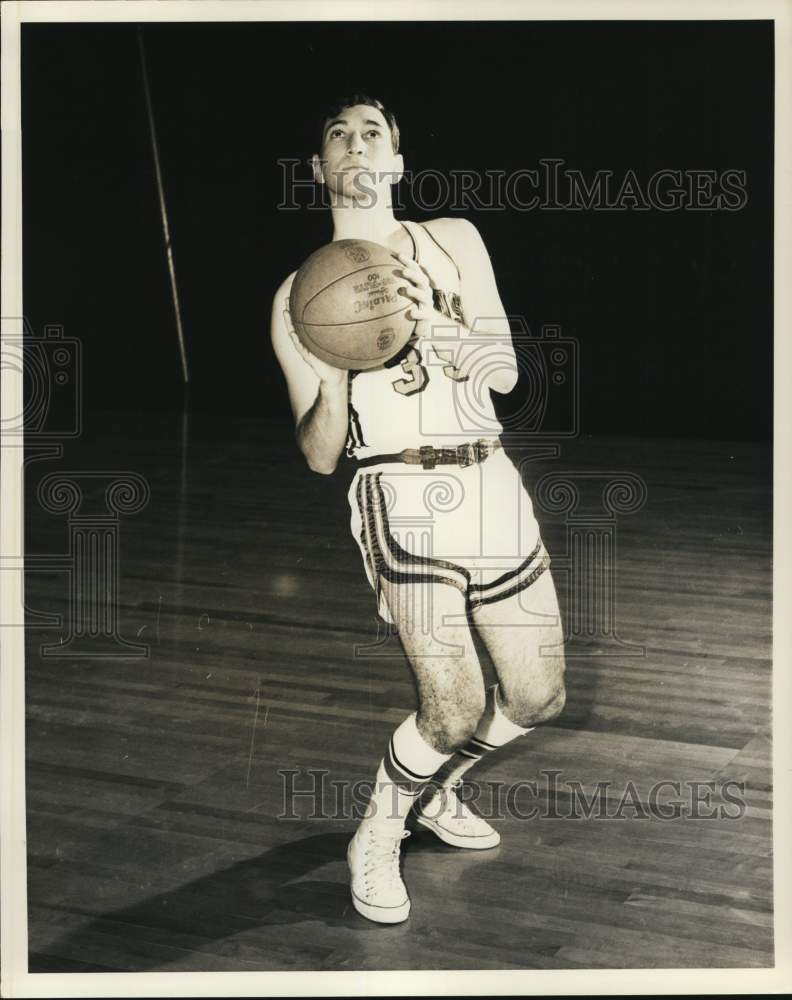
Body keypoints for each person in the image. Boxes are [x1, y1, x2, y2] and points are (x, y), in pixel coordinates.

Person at [271, 94, 566, 924]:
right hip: (399, 493)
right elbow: (319, 453)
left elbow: (506, 374)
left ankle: (438, 792)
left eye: (373, 133)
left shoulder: (454, 240)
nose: (356, 144)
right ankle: (379, 830)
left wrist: (437, 328)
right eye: (338, 135)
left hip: (489, 479)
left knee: (539, 698)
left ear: (397, 162)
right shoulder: (297, 297)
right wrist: (334, 377)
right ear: (318, 169)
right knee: (453, 706)